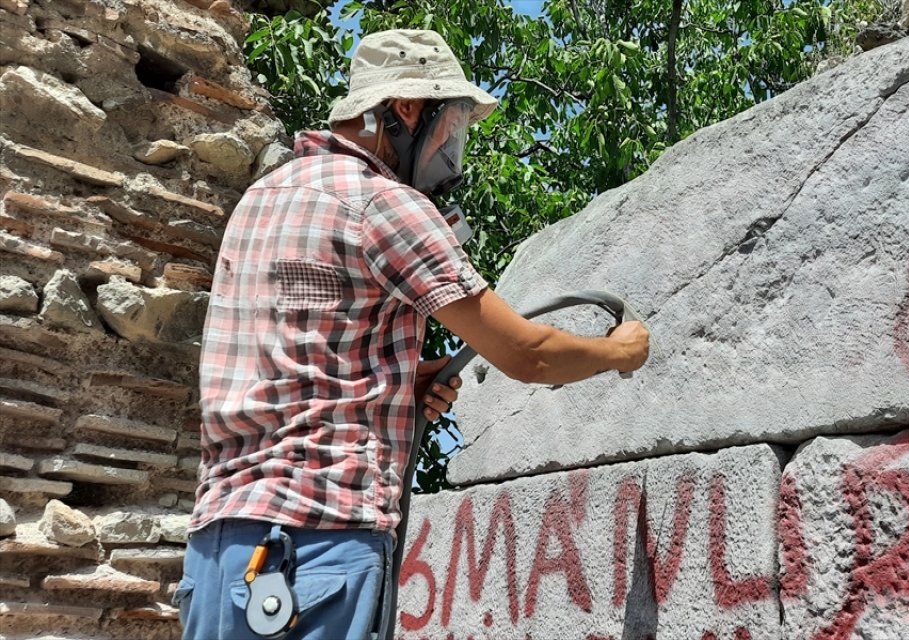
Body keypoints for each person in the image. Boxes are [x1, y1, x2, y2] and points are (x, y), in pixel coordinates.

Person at [176, 29, 649, 640]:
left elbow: (295, 356)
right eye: (451, 124)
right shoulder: (383, 203)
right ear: (406, 111)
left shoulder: (262, 198)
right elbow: (527, 355)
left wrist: (398, 381)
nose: (452, 146)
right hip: (312, 548)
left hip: (218, 547)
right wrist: (620, 350)